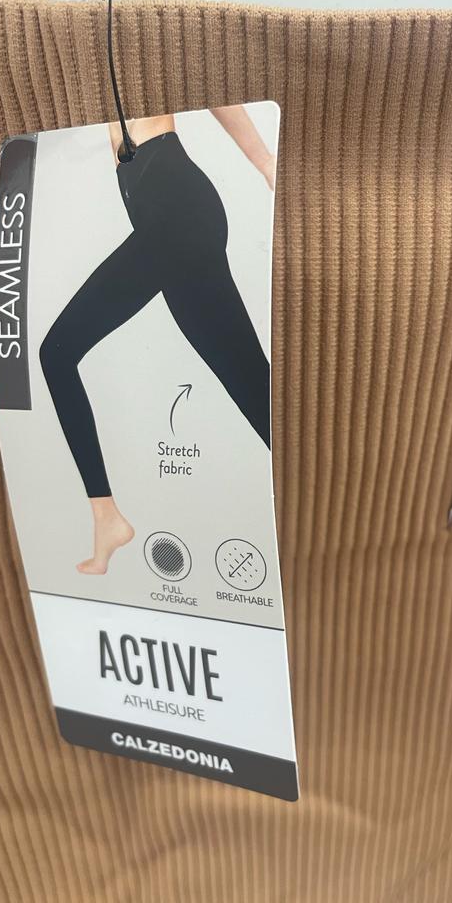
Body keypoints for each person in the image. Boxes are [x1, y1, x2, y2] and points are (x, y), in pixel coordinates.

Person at [39, 107, 275, 575]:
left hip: (175, 204)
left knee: (56, 353)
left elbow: (215, 96)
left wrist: (266, 163)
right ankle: (327, 493)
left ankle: (106, 517)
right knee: (249, 380)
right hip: (162, 211)